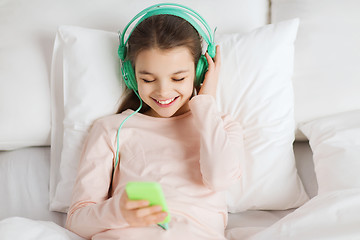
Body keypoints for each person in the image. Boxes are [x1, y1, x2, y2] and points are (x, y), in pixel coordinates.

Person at [66, 4, 244, 240]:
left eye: (178, 78)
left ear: (200, 71)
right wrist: (118, 211)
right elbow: (76, 222)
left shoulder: (221, 127)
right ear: (130, 75)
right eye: (148, 79)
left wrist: (206, 101)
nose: (163, 91)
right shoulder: (110, 130)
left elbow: (220, 177)